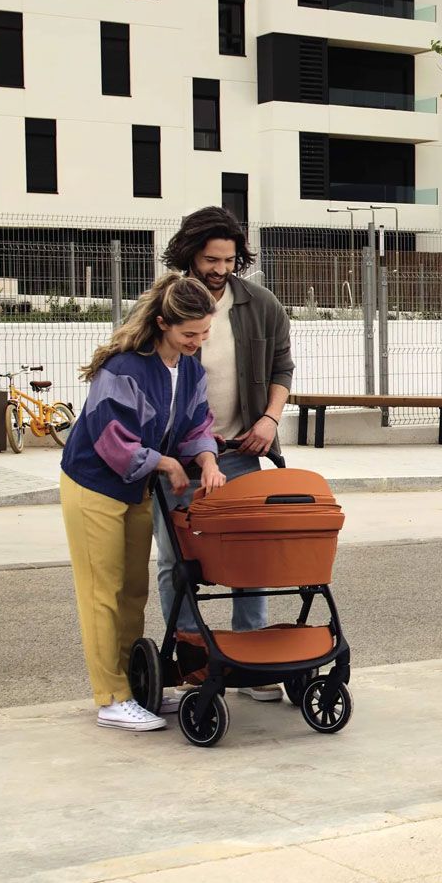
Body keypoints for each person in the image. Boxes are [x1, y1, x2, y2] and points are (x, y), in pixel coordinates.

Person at [60, 274, 226, 732]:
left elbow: (197, 423)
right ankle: (111, 698)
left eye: (204, 333)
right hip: (94, 485)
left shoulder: (189, 368)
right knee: (102, 593)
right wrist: (167, 464)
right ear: (162, 324)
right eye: (189, 334)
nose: (197, 342)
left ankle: (134, 688)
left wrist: (208, 461)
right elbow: (110, 438)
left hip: (135, 487)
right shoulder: (124, 367)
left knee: (133, 591)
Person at [152, 207, 296, 702]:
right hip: (177, 458)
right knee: (178, 563)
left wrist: (269, 420)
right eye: (211, 259)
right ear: (190, 254)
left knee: (249, 559)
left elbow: (282, 366)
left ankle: (252, 661)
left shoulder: (261, 304)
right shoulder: (165, 302)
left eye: (229, 259)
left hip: (239, 451)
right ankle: (192, 661)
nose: (220, 269)